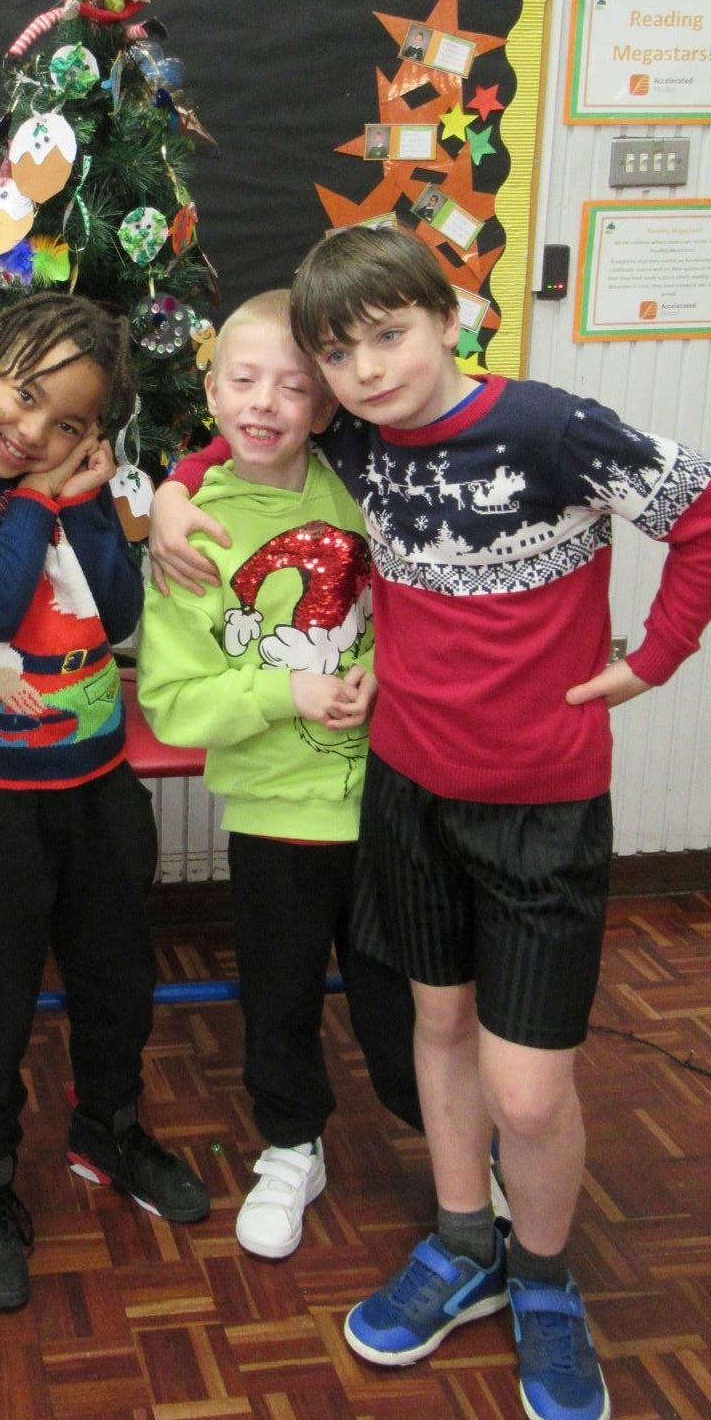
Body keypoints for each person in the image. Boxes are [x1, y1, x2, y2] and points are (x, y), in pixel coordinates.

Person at [148, 226, 711, 1420]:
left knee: (529, 1091)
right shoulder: (364, 443)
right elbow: (256, 425)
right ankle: (464, 1238)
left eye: (388, 336)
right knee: (438, 1026)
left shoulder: (550, 426)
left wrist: (655, 658)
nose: (365, 371)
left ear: (447, 314)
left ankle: (545, 1270)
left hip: (542, 807)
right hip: (407, 794)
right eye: (338, 354)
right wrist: (175, 478)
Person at [0, 291, 209, 1316]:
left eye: (68, 422)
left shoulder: (70, 484)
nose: (32, 430)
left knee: (118, 978)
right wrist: (42, 490)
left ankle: (107, 1126)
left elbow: (115, 611)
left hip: (97, 781)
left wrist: (84, 500)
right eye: (25, 396)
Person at [137, 291, 420, 1263]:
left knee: (407, 1007)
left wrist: (379, 670)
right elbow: (174, 701)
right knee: (281, 1000)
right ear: (210, 387)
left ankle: (470, 1156)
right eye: (244, 379)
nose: (265, 403)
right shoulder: (193, 527)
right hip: (278, 818)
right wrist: (282, 688)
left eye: (294, 385)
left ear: (328, 404)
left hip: (386, 807)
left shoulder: (361, 487)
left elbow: (410, 614)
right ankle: (292, 1144)